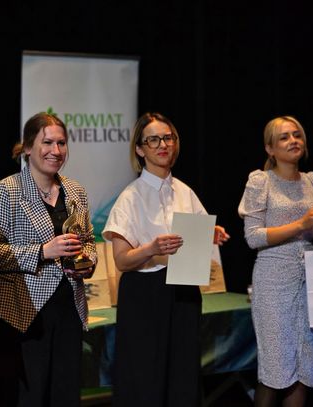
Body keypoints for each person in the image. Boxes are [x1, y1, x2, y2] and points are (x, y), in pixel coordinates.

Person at [102, 112, 229, 407]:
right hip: (145, 295)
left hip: (183, 292)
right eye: (154, 140)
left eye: (168, 138)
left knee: (182, 377)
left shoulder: (185, 191)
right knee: (146, 378)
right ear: (139, 149)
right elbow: (121, 260)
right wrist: (151, 248)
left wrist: (209, 234)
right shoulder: (130, 197)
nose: (163, 145)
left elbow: (193, 238)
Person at [0, 112, 96, 407]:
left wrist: (87, 262)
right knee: (27, 398)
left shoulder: (75, 190)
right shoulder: (6, 191)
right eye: (47, 142)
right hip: (25, 313)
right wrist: (43, 251)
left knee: (65, 395)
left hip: (69, 309)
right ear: (27, 147)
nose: (55, 151)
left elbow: (88, 240)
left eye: (61, 143)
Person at [238, 115, 313, 407]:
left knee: (304, 366)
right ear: (270, 148)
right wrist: (301, 223)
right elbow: (253, 237)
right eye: (284, 137)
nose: (293, 141)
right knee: (274, 369)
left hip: (309, 280)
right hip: (273, 281)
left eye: (297, 135)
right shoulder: (261, 182)